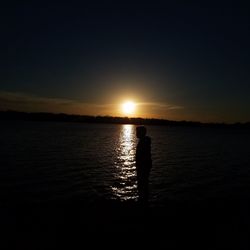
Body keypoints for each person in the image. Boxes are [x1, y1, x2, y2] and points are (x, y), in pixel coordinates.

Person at [135, 126, 152, 205]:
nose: (136, 133)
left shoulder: (143, 142)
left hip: (143, 167)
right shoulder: (144, 141)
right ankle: (143, 200)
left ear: (141, 132)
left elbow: (144, 156)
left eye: (138, 132)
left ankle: (143, 201)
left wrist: (140, 165)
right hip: (144, 166)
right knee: (143, 183)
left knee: (142, 183)